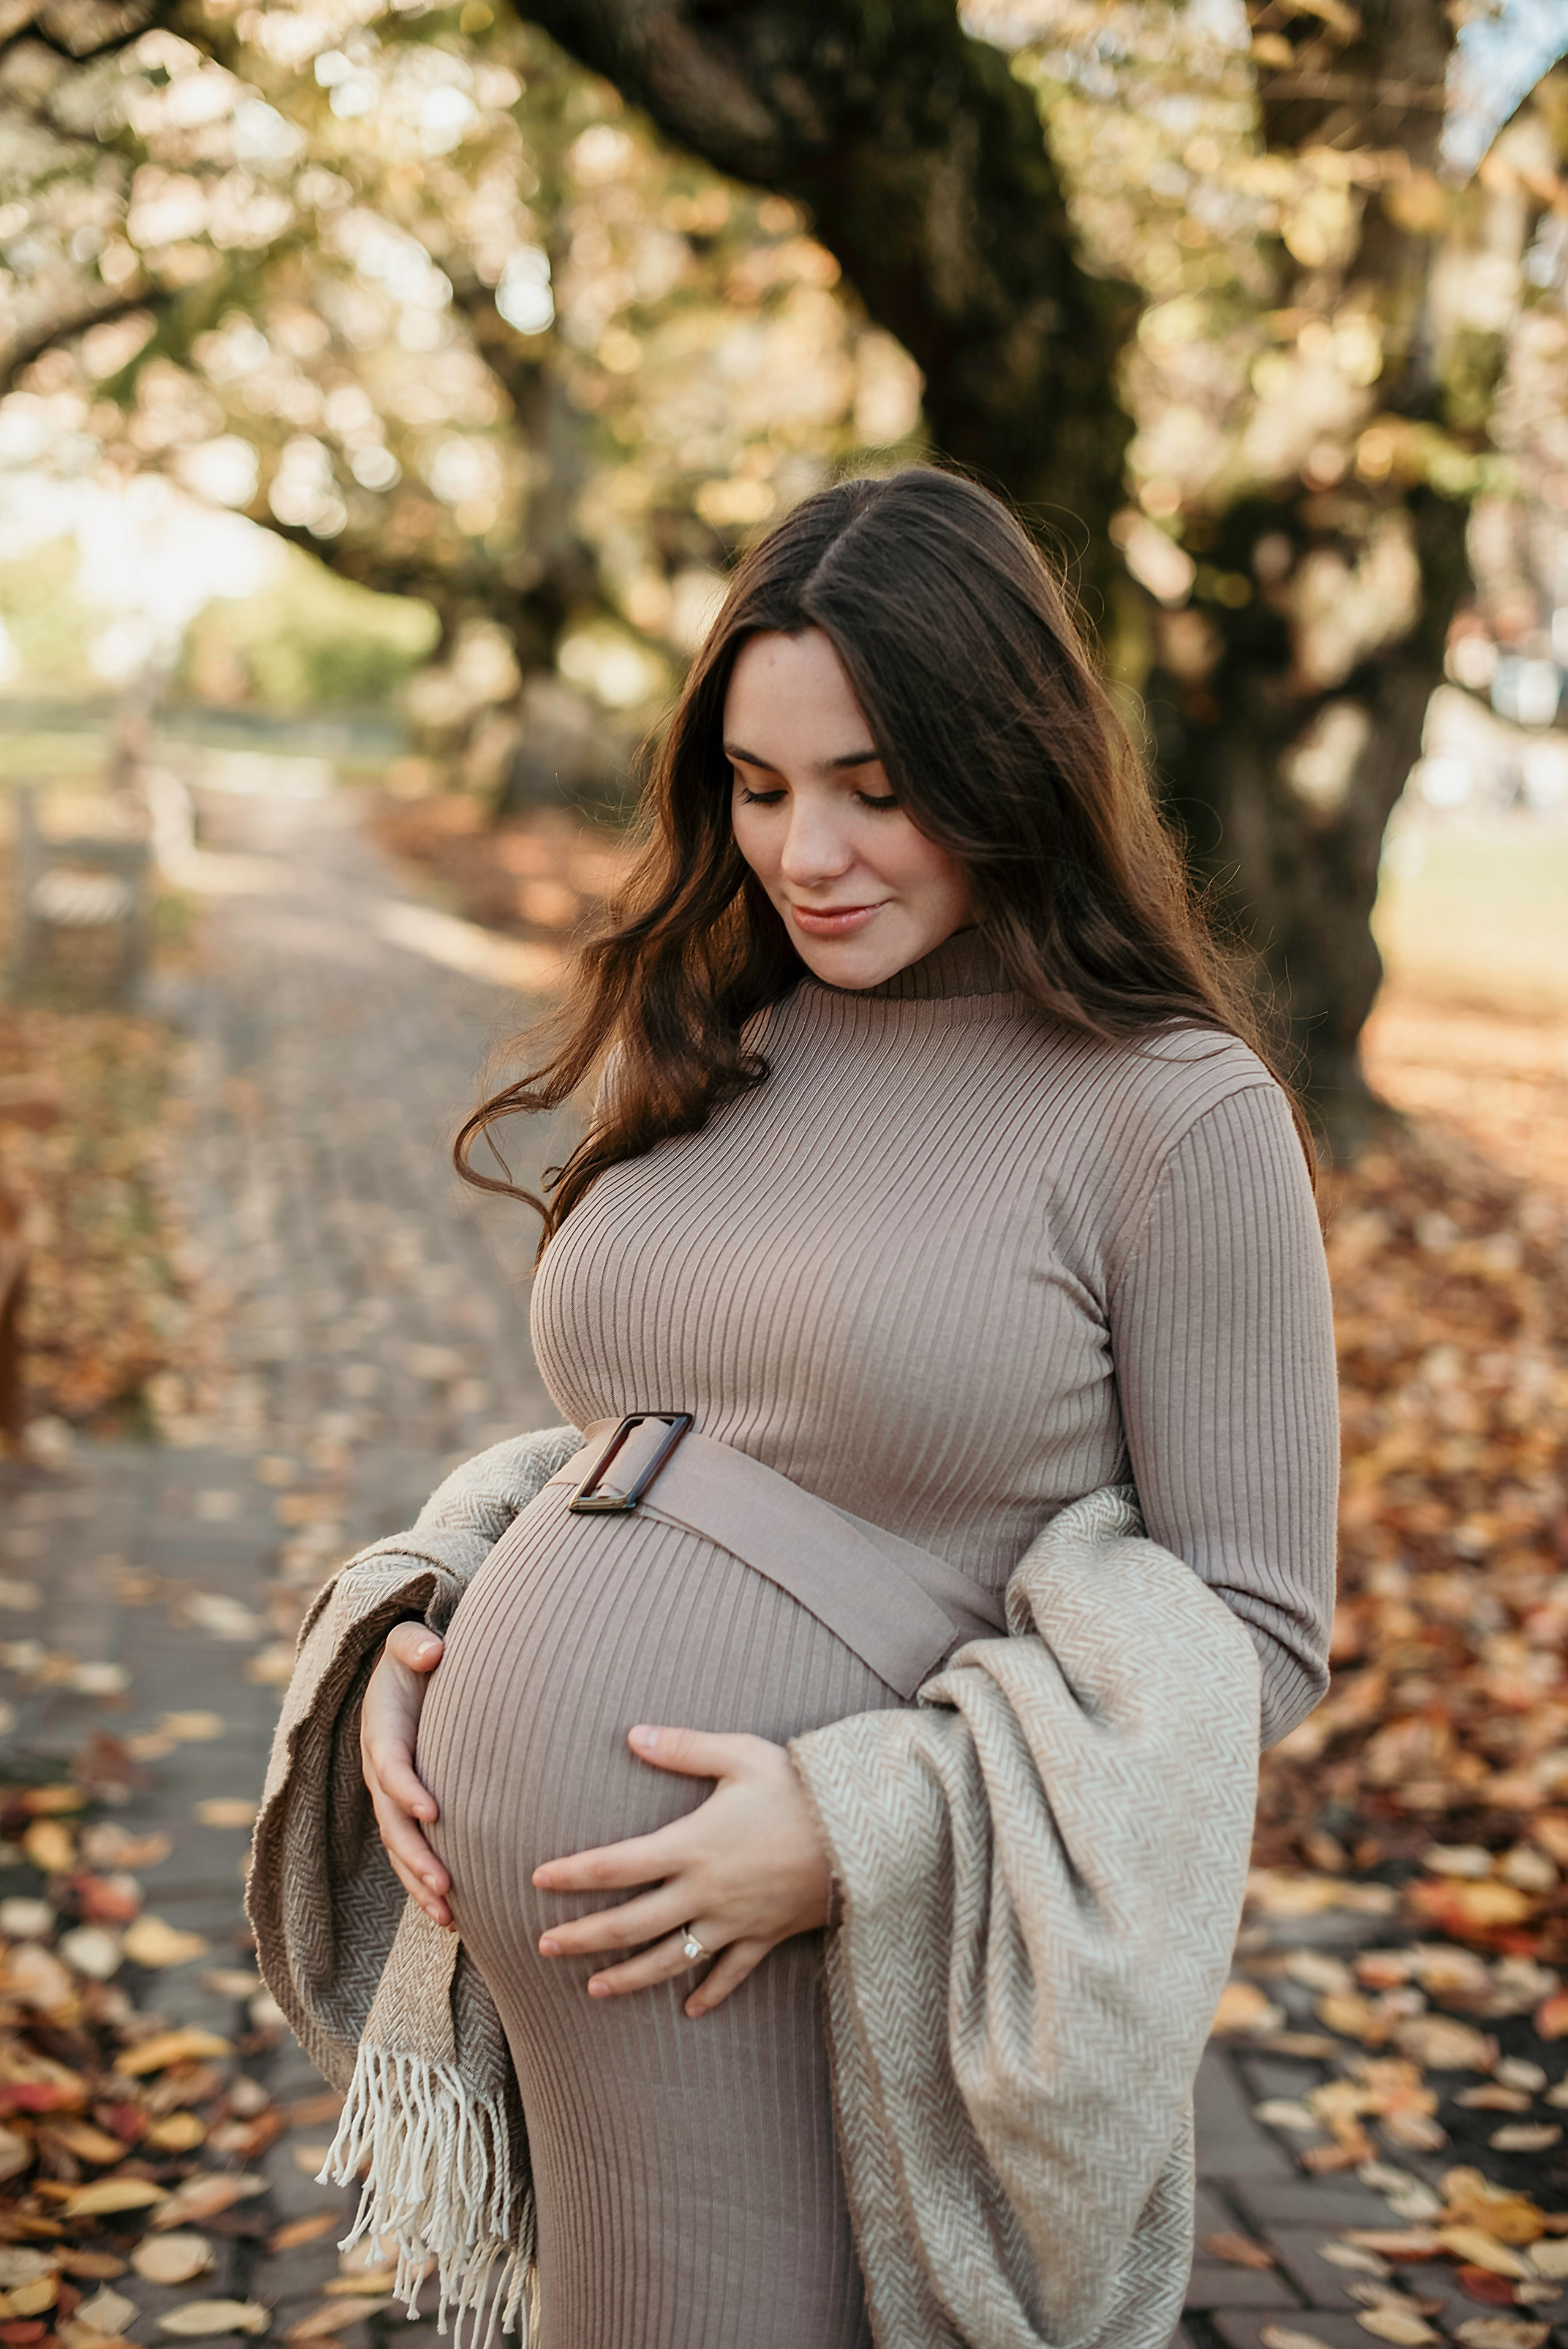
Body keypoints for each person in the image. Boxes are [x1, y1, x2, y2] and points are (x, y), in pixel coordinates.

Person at [354, 467, 1338, 2349]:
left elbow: (1257, 1631)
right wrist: (442, 1611)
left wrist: (867, 1824)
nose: (810, 849)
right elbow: (657, 1438)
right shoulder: (729, 1026)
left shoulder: (1171, 1114)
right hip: (586, 1982)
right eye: (760, 782)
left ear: (1011, 762)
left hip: (821, 1964)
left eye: (877, 787)